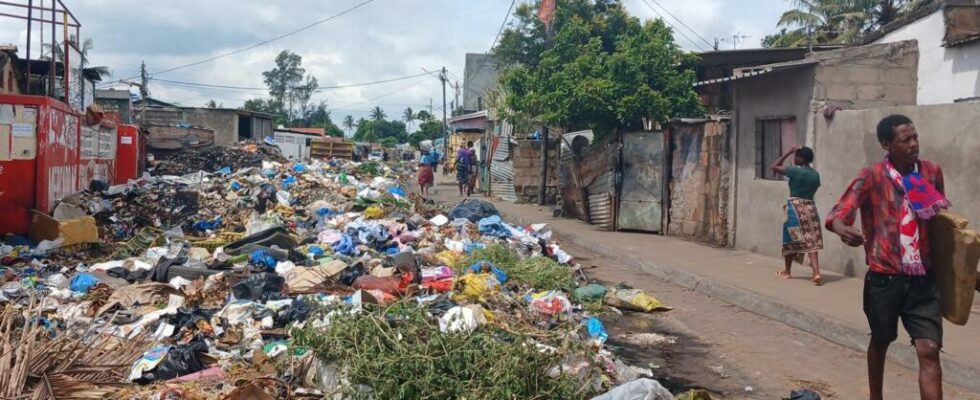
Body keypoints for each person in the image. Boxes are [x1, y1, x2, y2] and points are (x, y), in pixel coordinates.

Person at [825, 114, 948, 400]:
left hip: (923, 281)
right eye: (905, 140)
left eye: (915, 137)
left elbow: (940, 223)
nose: (914, 144)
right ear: (886, 144)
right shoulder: (872, 176)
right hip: (884, 279)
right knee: (881, 340)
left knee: (929, 350)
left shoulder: (929, 173)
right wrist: (845, 229)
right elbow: (838, 213)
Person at [771, 145, 823, 285]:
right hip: (811, 209)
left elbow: (774, 166)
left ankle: (787, 271)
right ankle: (816, 272)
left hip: (795, 209)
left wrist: (788, 151)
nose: (794, 158)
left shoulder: (794, 171)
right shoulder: (815, 174)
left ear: (801, 158)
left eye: (796, 156)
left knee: (789, 240)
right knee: (812, 240)